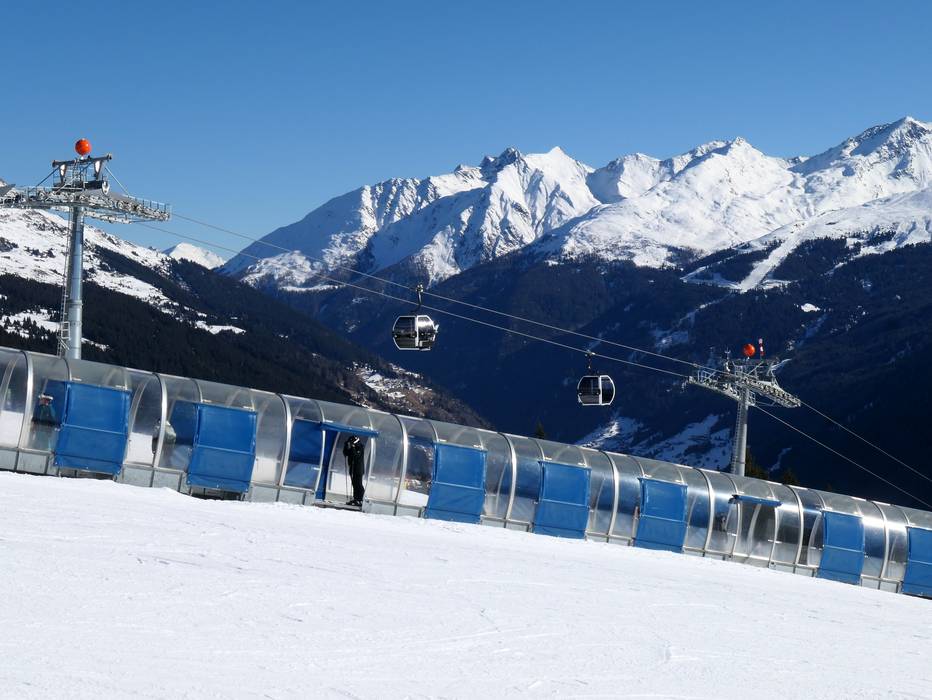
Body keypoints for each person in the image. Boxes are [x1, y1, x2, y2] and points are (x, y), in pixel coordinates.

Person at [342, 435, 366, 507]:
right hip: (352, 468)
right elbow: (346, 453)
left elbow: (355, 455)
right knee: (354, 484)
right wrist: (346, 446)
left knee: (358, 484)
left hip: (358, 469)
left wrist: (352, 447)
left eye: (351, 442)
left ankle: (360, 499)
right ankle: (356, 499)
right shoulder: (353, 446)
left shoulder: (360, 446)